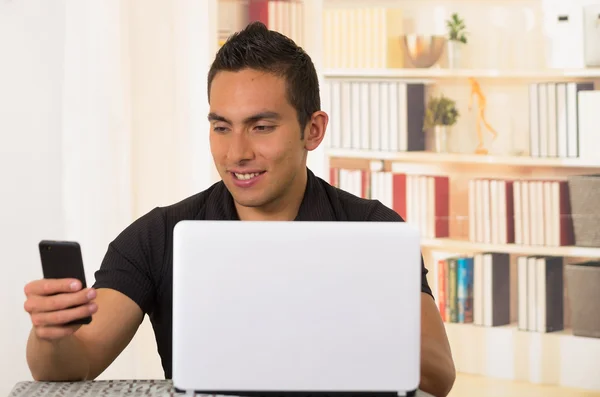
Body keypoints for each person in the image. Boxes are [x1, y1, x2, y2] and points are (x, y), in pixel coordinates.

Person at [23, 22, 455, 397]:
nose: (236, 153)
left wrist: (345, 320)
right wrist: (53, 334)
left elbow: (438, 376)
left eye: (261, 127)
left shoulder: (372, 229)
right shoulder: (158, 235)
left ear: (313, 129)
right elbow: (70, 363)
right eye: (221, 127)